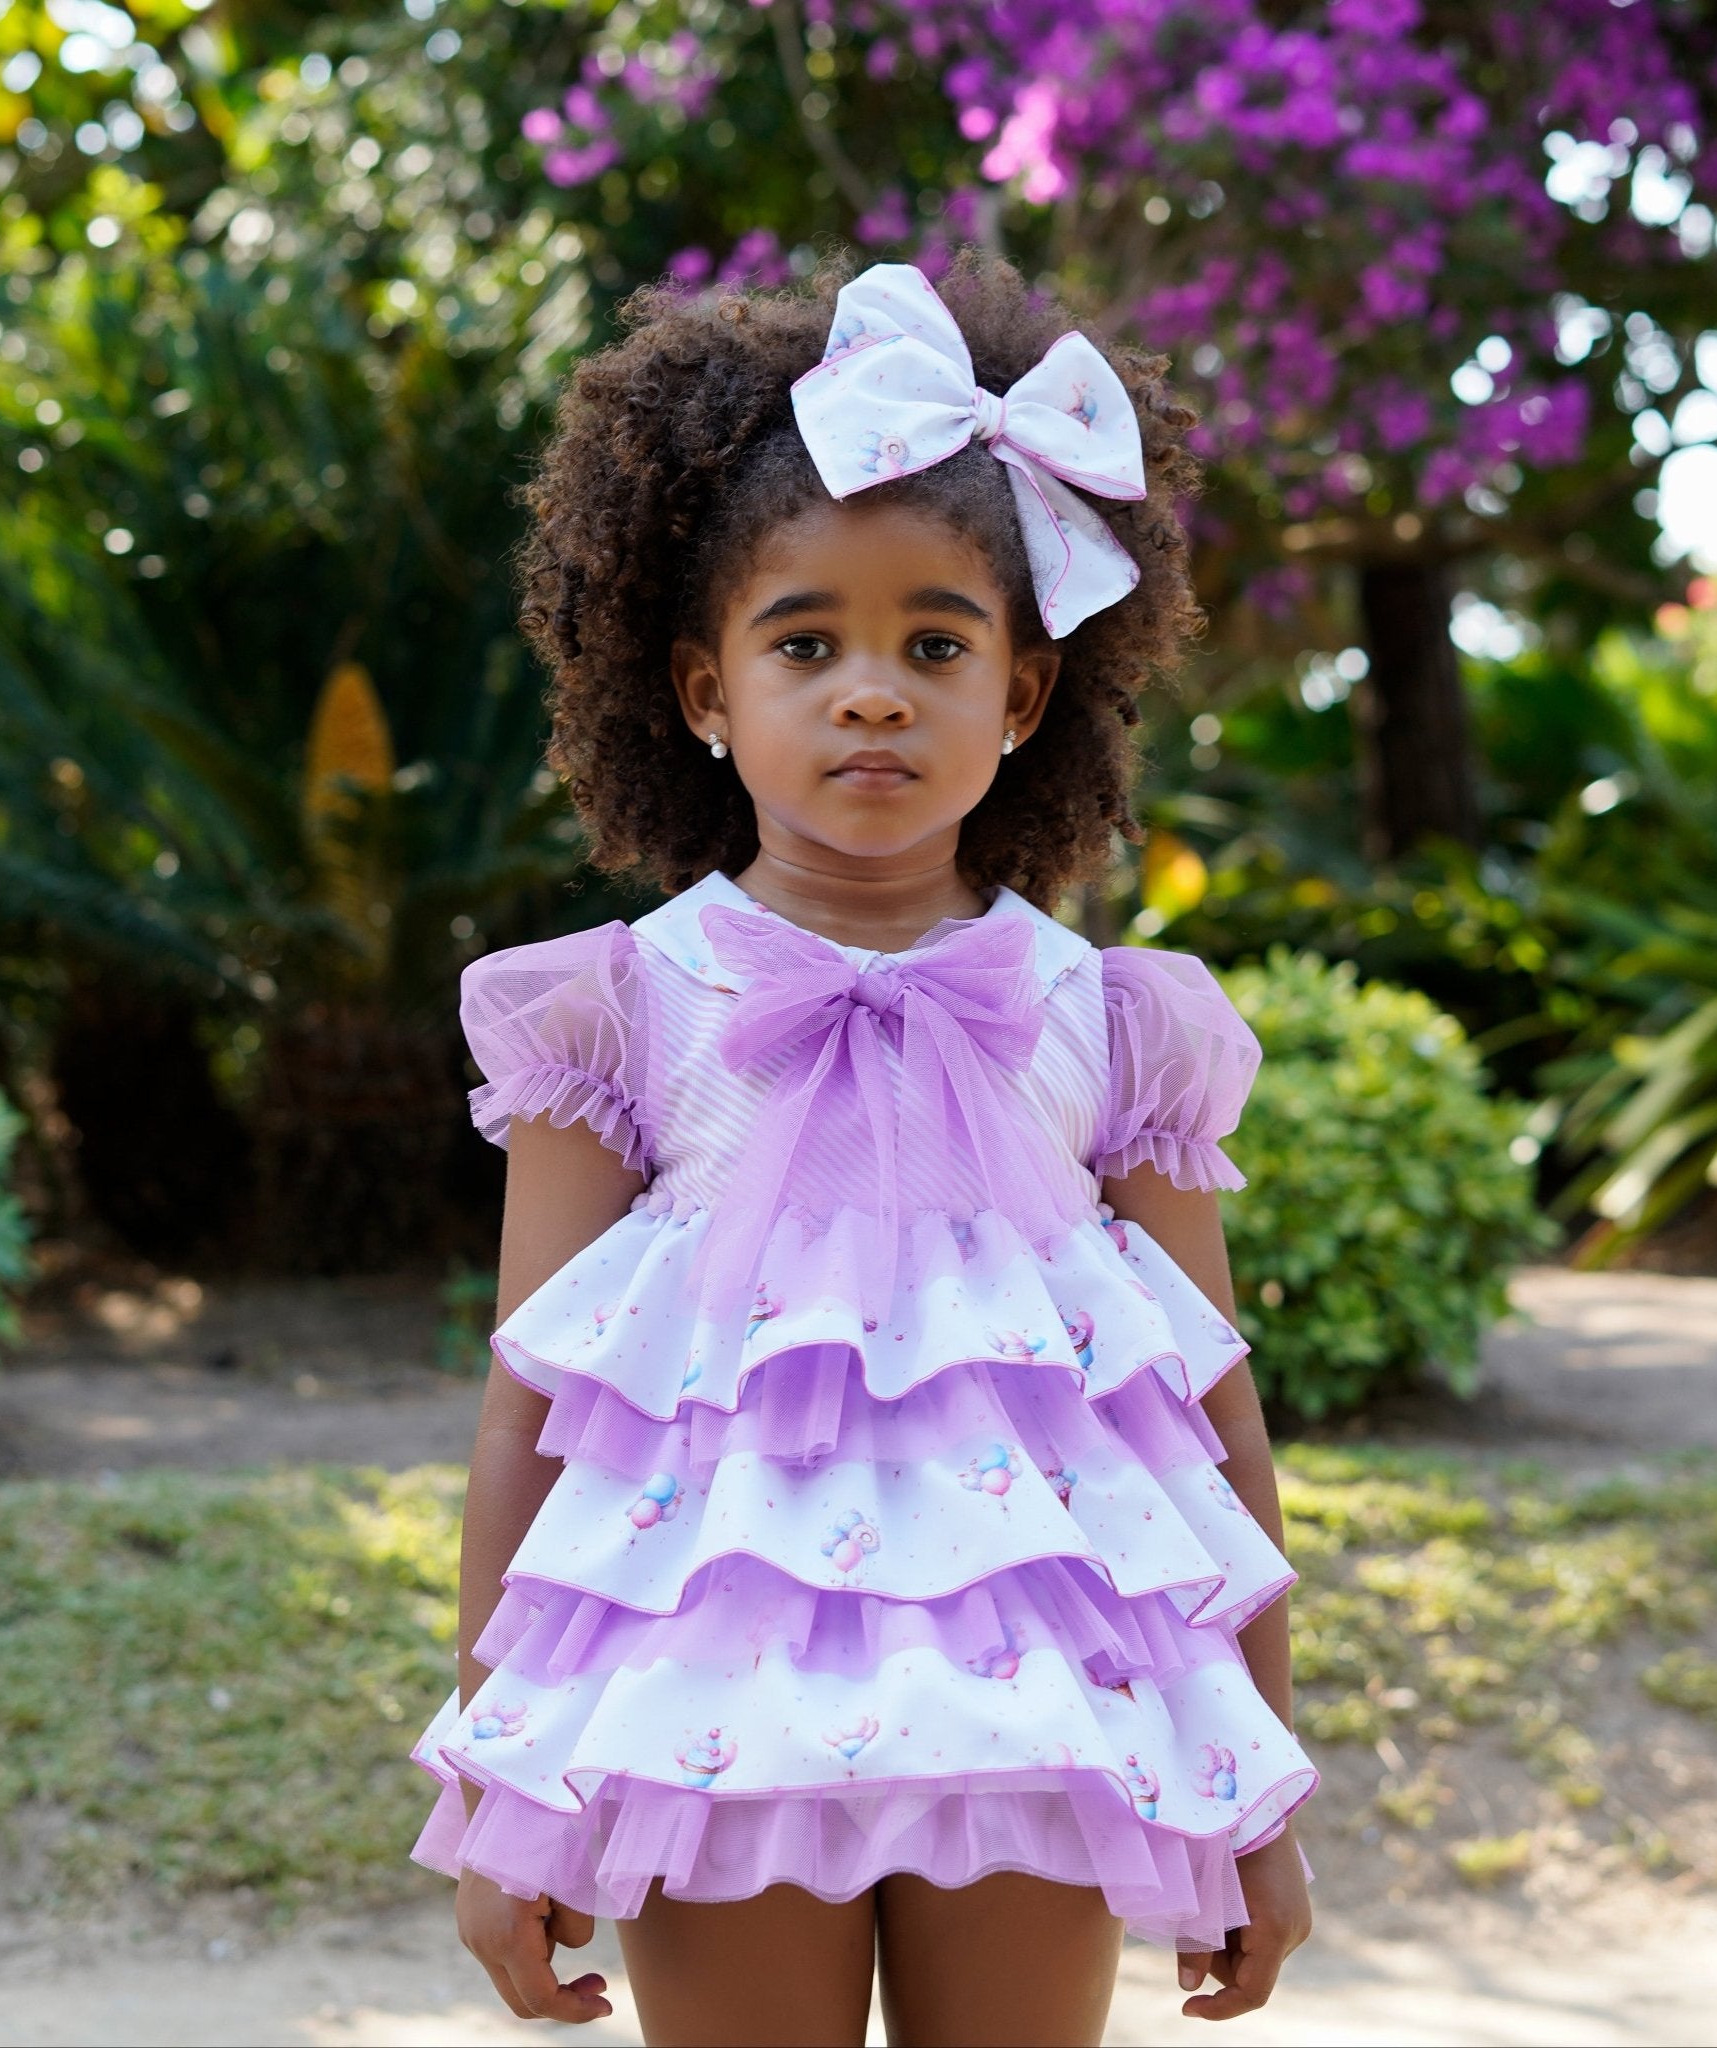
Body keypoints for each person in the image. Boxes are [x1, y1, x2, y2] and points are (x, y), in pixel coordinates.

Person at [408, 251, 1316, 2047]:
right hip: (711, 1704)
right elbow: (533, 1411)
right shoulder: (618, 1010)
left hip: (1034, 1710)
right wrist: (512, 1794)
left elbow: (1207, 1429)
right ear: (699, 693)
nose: (874, 692)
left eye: (935, 643)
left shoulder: (1115, 1023)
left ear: (1027, 694)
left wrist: (1259, 1800)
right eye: (804, 642)